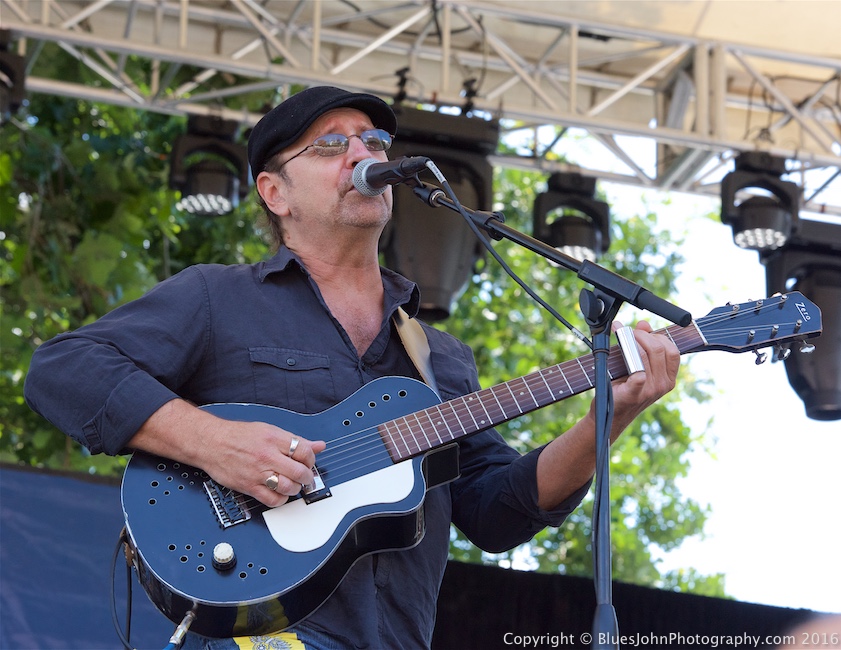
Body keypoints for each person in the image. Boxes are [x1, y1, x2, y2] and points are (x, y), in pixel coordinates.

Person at [24, 85, 680, 650]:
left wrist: (609, 415)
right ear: (274, 192)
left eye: (371, 140)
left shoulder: (439, 358)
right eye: (332, 145)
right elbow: (64, 369)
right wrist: (213, 442)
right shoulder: (217, 297)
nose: (364, 153)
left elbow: (494, 511)